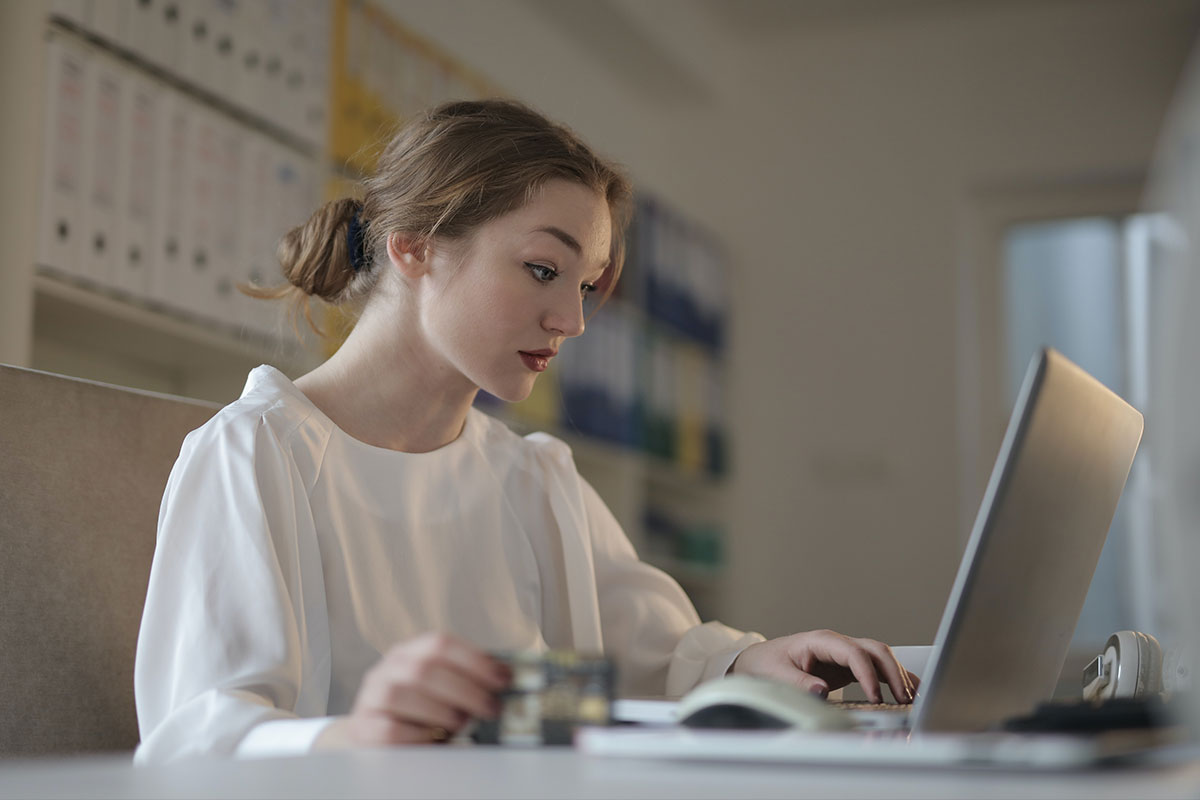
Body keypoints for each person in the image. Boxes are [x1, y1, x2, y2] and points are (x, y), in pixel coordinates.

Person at [133, 99, 918, 762]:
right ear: (415, 247)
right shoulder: (256, 454)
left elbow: (662, 653)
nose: (572, 321)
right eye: (545, 270)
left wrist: (755, 660)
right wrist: (354, 737)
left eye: (584, 286)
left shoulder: (533, 478)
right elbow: (190, 741)